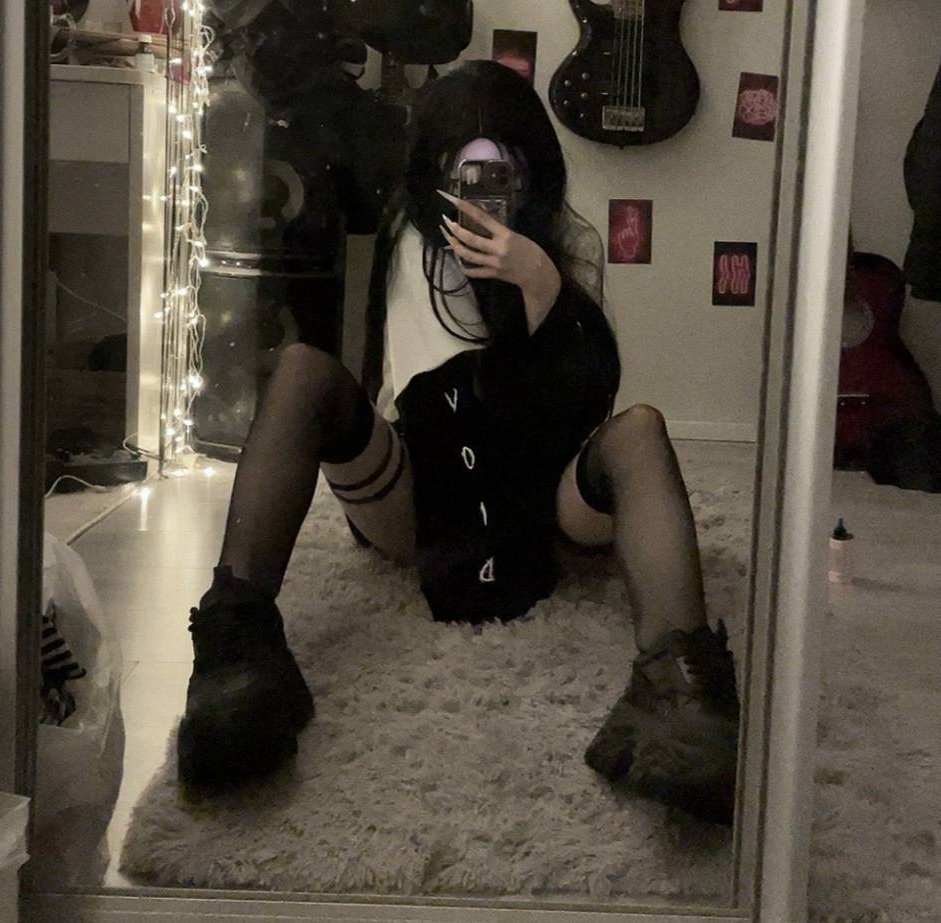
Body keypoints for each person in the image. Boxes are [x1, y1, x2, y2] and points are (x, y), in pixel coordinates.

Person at [179, 60, 740, 825]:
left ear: (529, 175)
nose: (480, 198)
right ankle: (235, 647)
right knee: (302, 369)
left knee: (639, 428)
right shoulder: (410, 240)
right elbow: (416, 397)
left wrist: (539, 285)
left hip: (541, 494)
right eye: (462, 177)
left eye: (498, 177)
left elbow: (582, 407)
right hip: (423, 489)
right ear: (435, 175)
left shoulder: (558, 247)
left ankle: (681, 684)